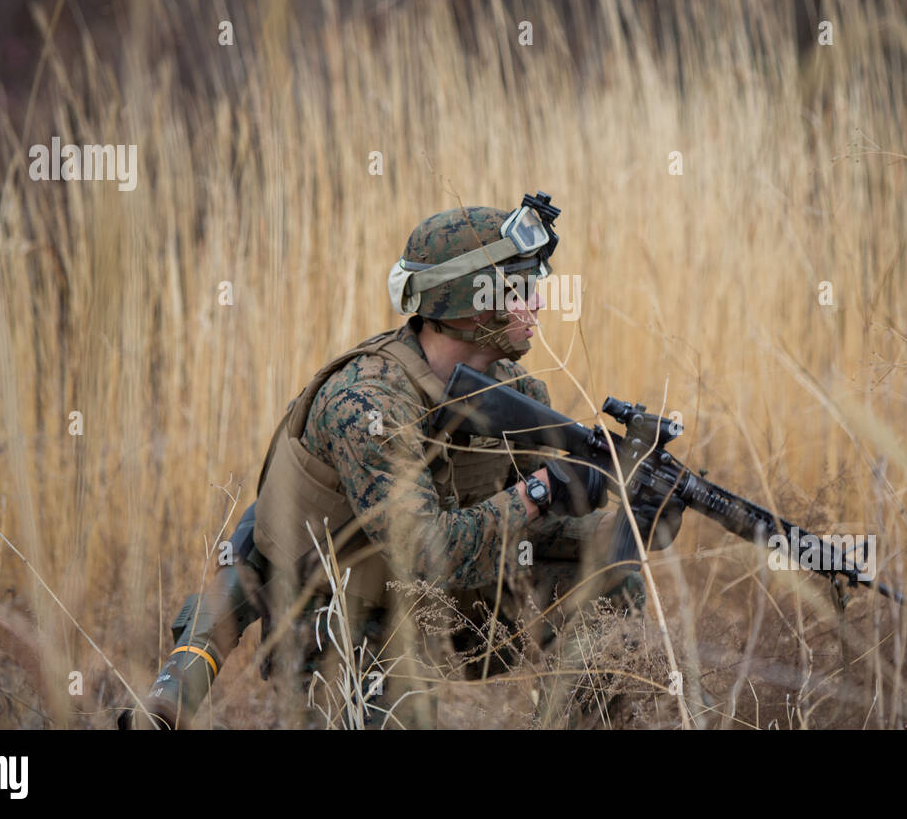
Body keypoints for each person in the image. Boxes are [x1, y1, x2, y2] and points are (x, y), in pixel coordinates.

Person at [133, 193, 681, 730]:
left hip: (443, 609)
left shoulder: (517, 391)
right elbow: (423, 552)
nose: (539, 302)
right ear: (470, 301)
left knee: (614, 579)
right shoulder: (366, 402)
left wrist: (626, 521)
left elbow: (537, 534)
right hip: (344, 625)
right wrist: (536, 493)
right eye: (521, 288)